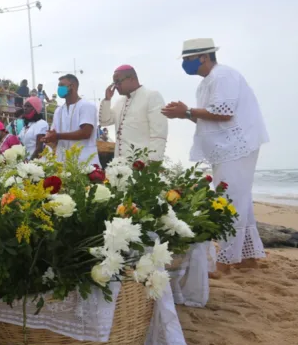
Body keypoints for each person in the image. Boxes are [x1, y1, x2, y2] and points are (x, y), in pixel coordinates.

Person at [162, 38, 269, 271]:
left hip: (238, 144)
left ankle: (226, 260)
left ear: (204, 57)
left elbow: (224, 112)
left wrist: (187, 110)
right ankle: (248, 258)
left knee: (230, 200)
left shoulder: (223, 76)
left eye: (188, 59)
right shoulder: (206, 83)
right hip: (225, 148)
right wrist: (184, 113)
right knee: (241, 200)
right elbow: (208, 116)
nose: (185, 64)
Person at [100, 65, 168, 161]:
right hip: (119, 165)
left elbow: (159, 134)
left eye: (118, 82)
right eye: (114, 83)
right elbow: (105, 121)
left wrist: (153, 163)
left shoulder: (151, 96)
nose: (116, 86)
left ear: (132, 79)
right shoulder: (120, 102)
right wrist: (107, 100)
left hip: (142, 164)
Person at [43, 74, 100, 167]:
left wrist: (57, 136)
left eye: (61, 85)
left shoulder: (86, 106)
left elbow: (86, 133)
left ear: (72, 86)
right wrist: (48, 138)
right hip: (62, 163)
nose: (59, 88)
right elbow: (54, 134)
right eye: (58, 86)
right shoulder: (58, 110)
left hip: (84, 162)